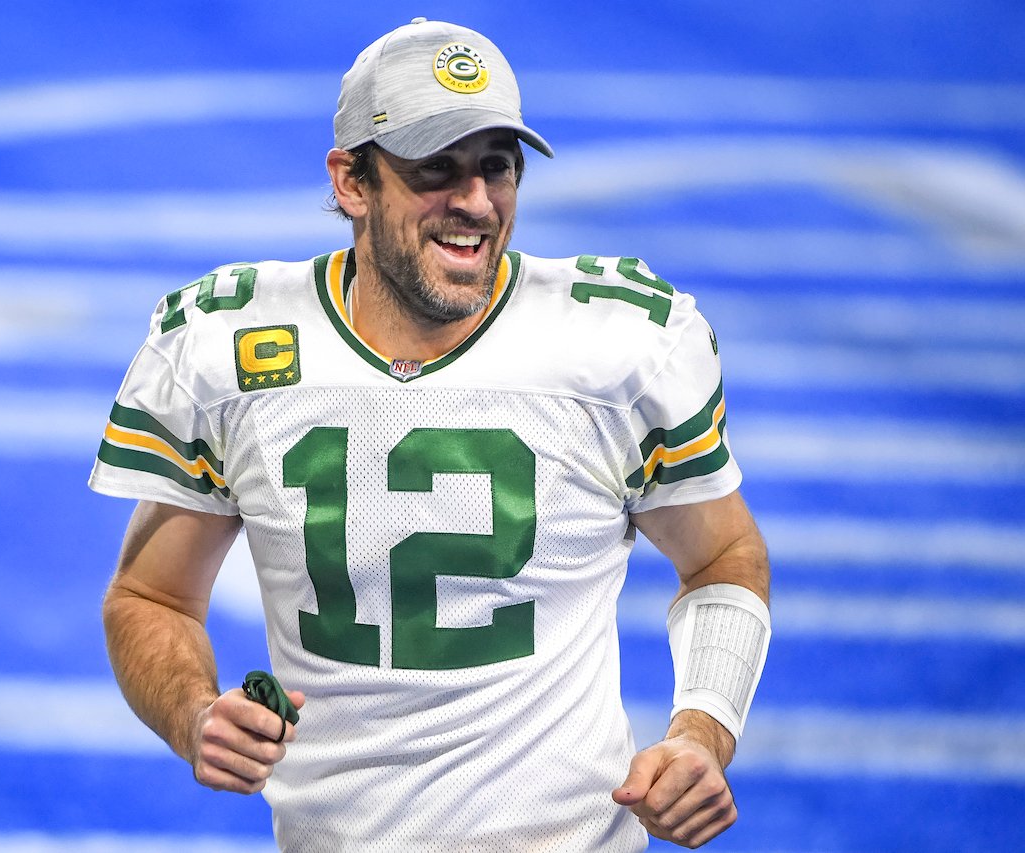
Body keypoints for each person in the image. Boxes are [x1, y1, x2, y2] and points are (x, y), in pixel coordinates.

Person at [89, 17, 771, 852]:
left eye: (496, 167)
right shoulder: (226, 347)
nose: (476, 203)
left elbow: (722, 556)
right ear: (351, 182)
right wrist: (195, 714)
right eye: (435, 171)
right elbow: (150, 597)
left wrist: (703, 731)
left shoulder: (618, 343)